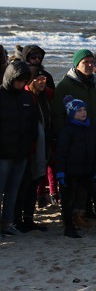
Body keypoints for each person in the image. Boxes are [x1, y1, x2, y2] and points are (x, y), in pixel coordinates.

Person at [54, 96, 96, 238]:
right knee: (69, 200)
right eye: (79, 110)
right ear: (72, 113)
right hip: (70, 172)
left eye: (84, 109)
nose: (83, 112)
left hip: (87, 170)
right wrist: (60, 172)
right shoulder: (67, 131)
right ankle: (69, 227)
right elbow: (60, 153)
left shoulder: (90, 128)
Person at [0, 61, 38, 236]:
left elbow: (32, 124)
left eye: (24, 81)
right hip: (3, 154)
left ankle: (8, 223)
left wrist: (30, 147)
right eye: (18, 80)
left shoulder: (27, 97)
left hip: (21, 153)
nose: (21, 84)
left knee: (13, 190)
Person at [14, 66, 52, 231]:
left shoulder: (45, 96)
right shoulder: (25, 97)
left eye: (44, 79)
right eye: (39, 79)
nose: (43, 82)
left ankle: (28, 218)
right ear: (30, 81)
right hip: (27, 148)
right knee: (23, 185)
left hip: (43, 146)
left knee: (34, 183)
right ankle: (17, 219)